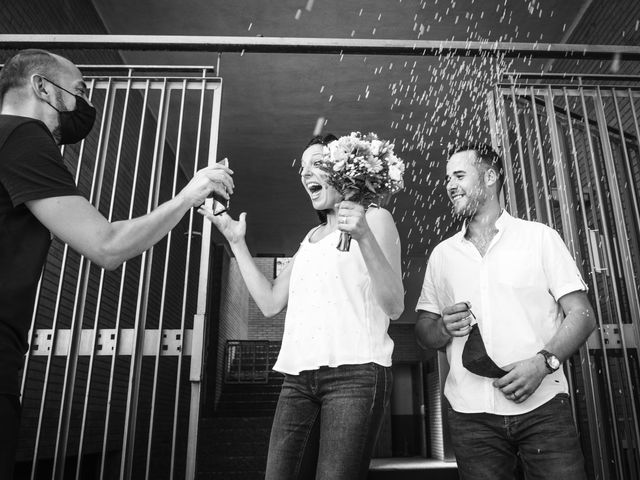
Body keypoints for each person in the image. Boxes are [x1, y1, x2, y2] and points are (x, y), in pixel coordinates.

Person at [0, 49, 233, 478]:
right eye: (80, 90)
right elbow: (106, 246)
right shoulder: (23, 136)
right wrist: (189, 194)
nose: (86, 104)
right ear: (42, 87)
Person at [199, 134, 404, 480]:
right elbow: (269, 302)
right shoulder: (308, 242)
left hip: (355, 375)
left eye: (318, 163)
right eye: (303, 167)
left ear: (344, 169)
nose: (305, 172)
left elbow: (395, 305)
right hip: (298, 380)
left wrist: (364, 235)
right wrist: (236, 241)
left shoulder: (376, 218)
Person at [414, 143, 595, 480]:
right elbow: (423, 331)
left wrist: (544, 363)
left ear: (491, 177)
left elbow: (582, 316)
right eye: (446, 178)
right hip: (470, 416)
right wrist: (442, 327)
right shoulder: (442, 255)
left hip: (544, 408)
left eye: (459, 175)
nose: (449, 185)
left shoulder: (540, 238)